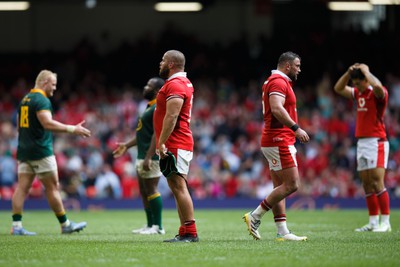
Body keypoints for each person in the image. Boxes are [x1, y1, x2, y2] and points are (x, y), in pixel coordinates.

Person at [11, 70, 90, 235]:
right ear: (45, 82)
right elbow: (47, 123)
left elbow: (19, 128)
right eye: (53, 84)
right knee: (53, 188)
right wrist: (72, 129)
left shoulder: (24, 100)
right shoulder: (41, 100)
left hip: (24, 151)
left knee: (22, 189)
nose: (54, 89)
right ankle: (65, 224)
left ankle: (16, 226)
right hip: (41, 151)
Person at [243, 51, 310, 241]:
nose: (299, 69)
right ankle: (255, 216)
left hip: (275, 139)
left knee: (279, 186)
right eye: (297, 65)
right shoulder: (279, 82)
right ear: (287, 66)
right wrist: (296, 128)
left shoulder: (276, 81)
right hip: (279, 139)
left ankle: (282, 231)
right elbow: (277, 107)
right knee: (292, 184)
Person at [334, 63, 391, 232]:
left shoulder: (378, 93)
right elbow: (338, 88)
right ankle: (373, 222)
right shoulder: (358, 92)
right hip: (362, 143)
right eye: (355, 83)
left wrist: (368, 72)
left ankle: (386, 222)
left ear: (367, 80)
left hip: (377, 141)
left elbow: (379, 87)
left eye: (359, 82)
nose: (356, 86)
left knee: (377, 182)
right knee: (366, 184)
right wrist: (348, 72)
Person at [154, 50, 199, 242]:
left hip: (176, 141)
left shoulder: (175, 84)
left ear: (171, 63)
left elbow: (172, 116)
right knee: (176, 186)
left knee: (179, 186)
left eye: (163, 60)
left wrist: (161, 141)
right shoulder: (181, 83)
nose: (160, 63)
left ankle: (191, 232)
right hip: (177, 141)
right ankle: (185, 231)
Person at [113, 77, 166, 235]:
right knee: (144, 191)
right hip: (142, 154)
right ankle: (150, 225)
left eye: (149, 85)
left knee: (151, 189)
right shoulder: (149, 107)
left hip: (150, 156)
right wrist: (126, 146)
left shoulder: (157, 107)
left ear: (157, 91)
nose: (145, 87)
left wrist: (150, 156)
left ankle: (158, 227)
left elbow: (157, 134)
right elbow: (143, 135)